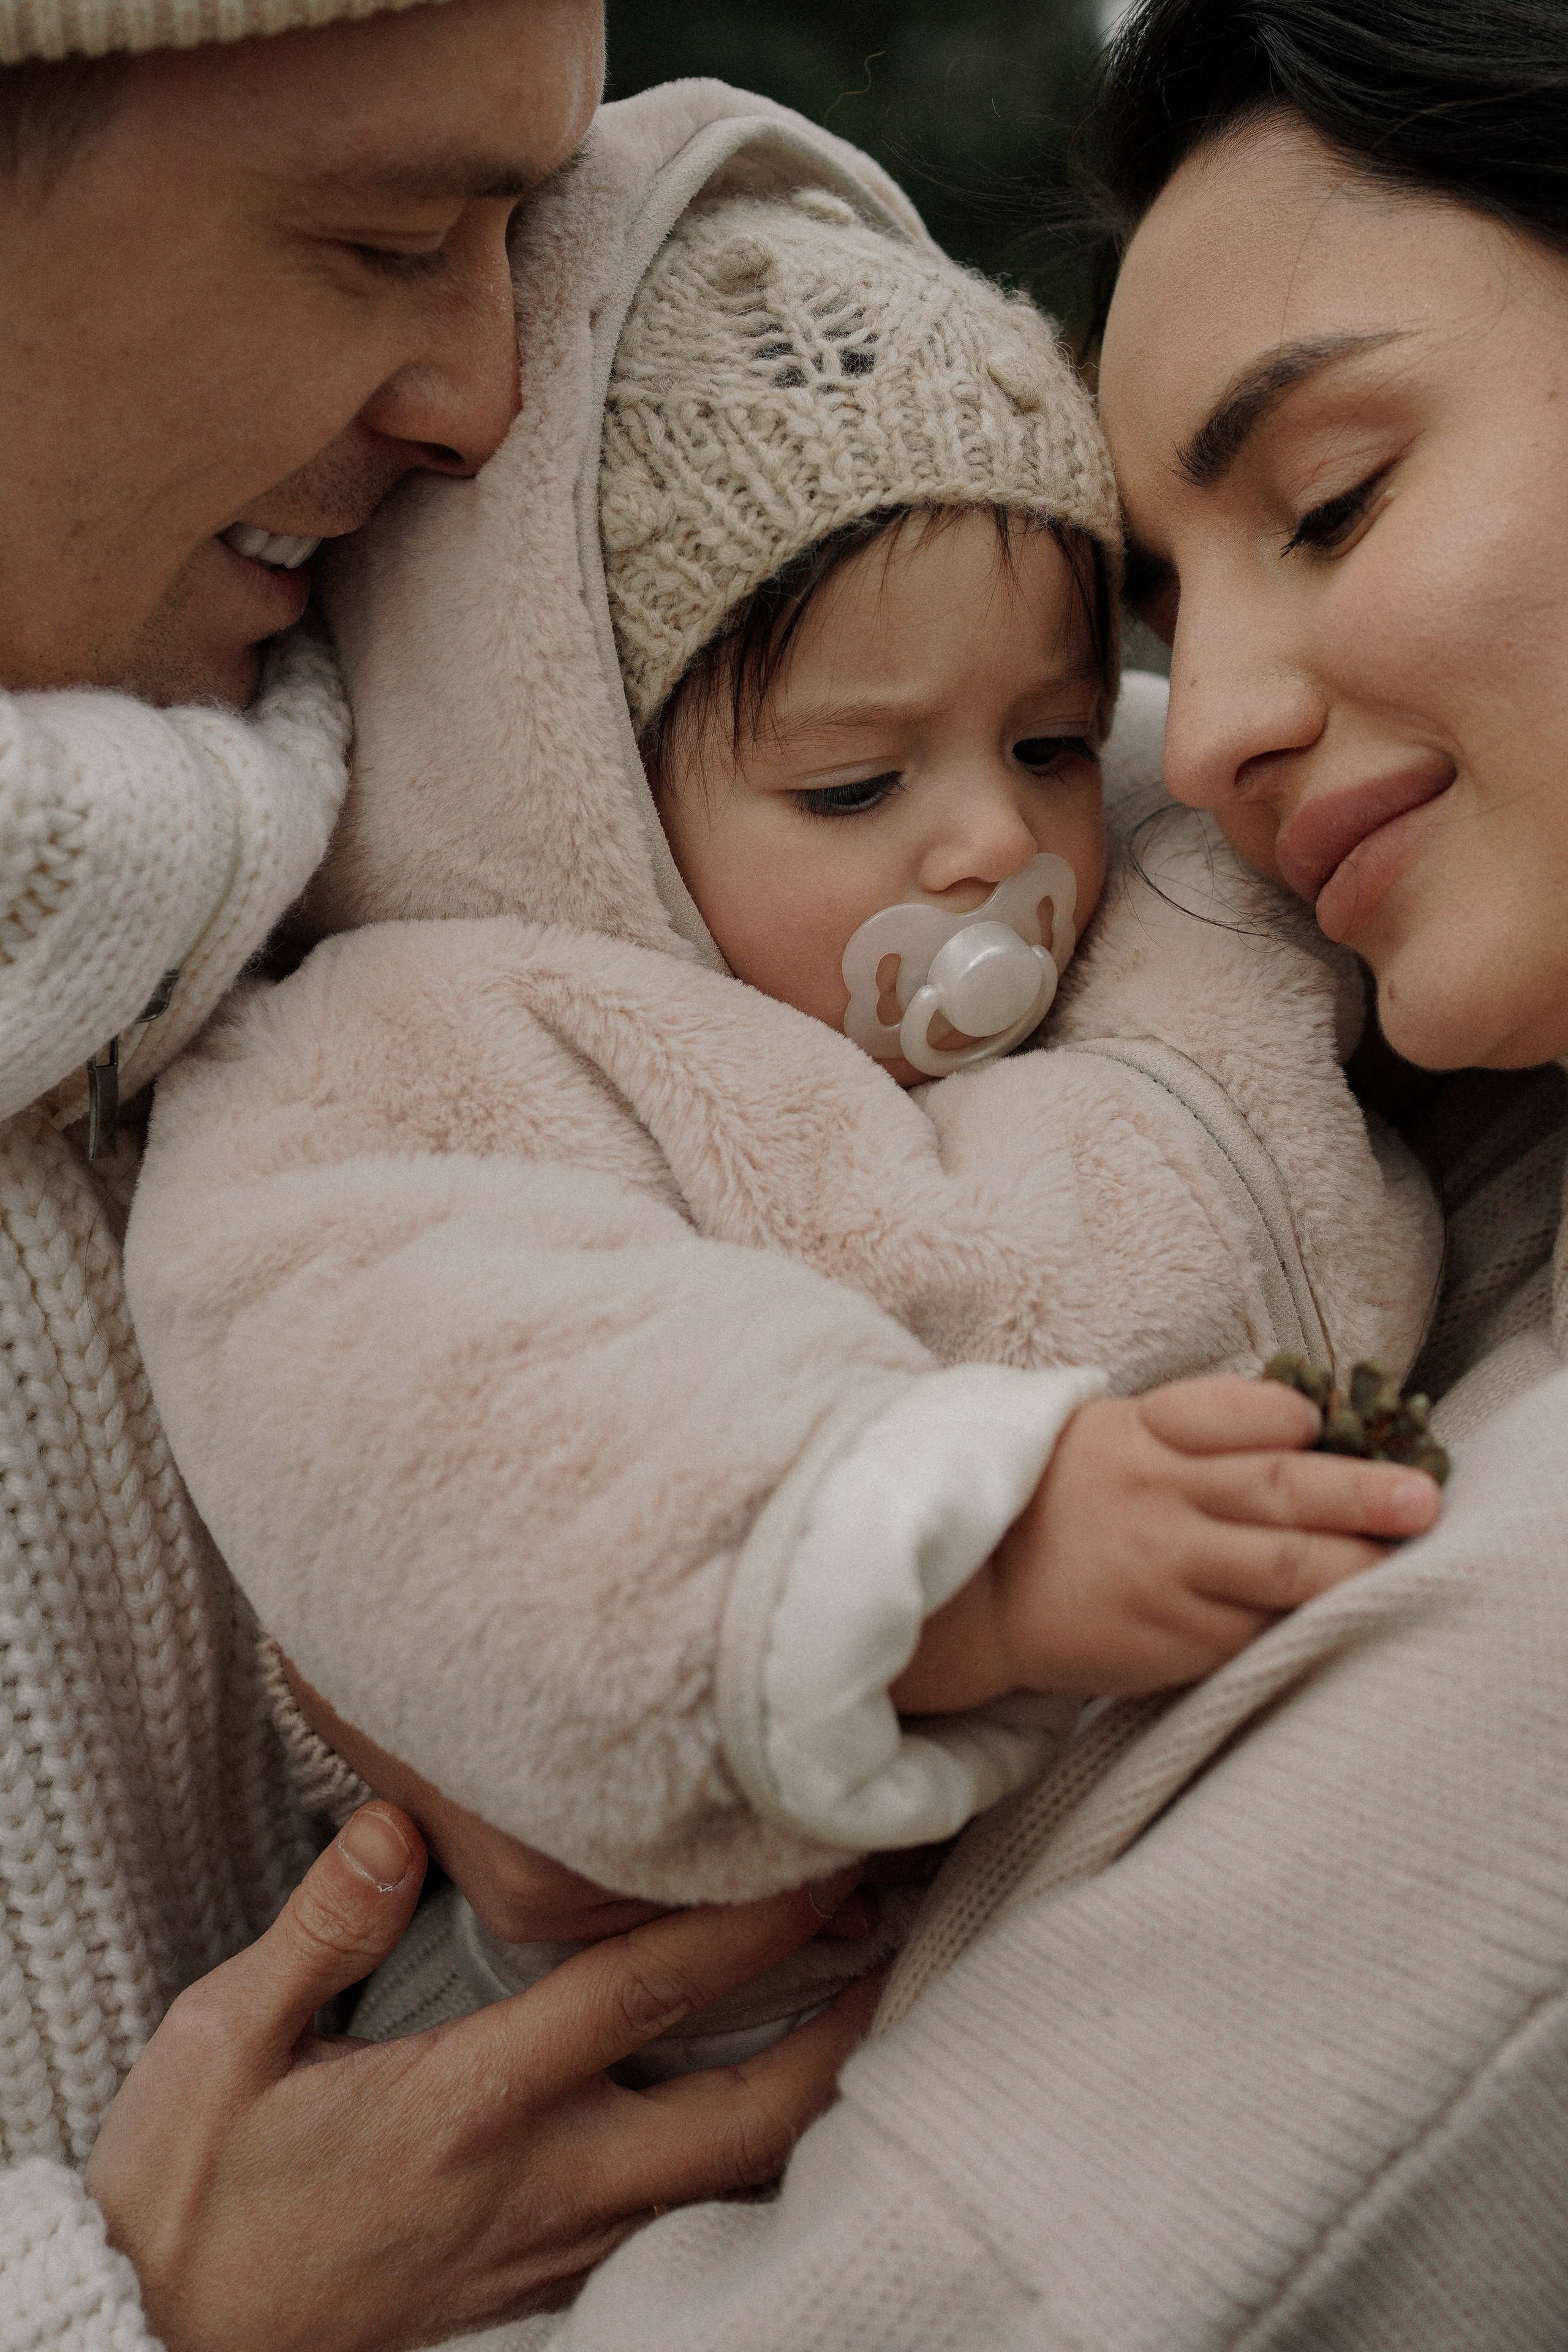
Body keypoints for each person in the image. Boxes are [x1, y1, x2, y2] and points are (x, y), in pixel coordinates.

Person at [187, 5, 1564, 2343]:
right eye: (1177, 601)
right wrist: (925, 1552)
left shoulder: (1196, 919)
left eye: (1333, 501)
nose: (1214, 729)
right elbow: (446, 1380)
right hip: (645, 2021)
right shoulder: (461, 1059)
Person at [0, 10, 887, 2349]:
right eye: (388, 239)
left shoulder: (437, 836)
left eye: (524, 236)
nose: (487, 398)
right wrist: (132, 2312)